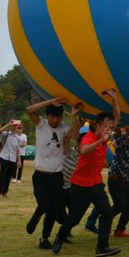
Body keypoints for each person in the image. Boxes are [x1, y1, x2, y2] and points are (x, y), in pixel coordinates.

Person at [52, 89, 122, 257]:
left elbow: (117, 116)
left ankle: (102, 247)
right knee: (74, 219)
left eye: (111, 127)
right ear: (97, 125)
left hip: (96, 185)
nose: (109, 129)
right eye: (106, 126)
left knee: (107, 213)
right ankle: (60, 237)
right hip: (80, 186)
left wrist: (114, 99)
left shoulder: (106, 134)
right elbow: (83, 151)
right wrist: (101, 141)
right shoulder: (89, 137)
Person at [25, 98, 78, 249]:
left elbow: (75, 135)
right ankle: (36, 215)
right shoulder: (41, 124)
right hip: (40, 175)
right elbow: (29, 110)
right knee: (45, 205)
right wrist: (51, 101)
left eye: (58, 117)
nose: (55, 120)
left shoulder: (64, 128)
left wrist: (73, 115)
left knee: (57, 214)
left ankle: (44, 239)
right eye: (52, 117)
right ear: (47, 116)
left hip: (56, 176)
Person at [0, 120, 22, 197]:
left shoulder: (18, 138)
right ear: (11, 126)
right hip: (4, 157)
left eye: (16, 125)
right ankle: (0, 192)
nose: (15, 127)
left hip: (13, 159)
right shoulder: (6, 134)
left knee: (9, 176)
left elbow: (18, 150)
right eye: (13, 125)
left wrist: (19, 160)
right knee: (3, 175)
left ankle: (5, 192)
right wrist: (7, 124)